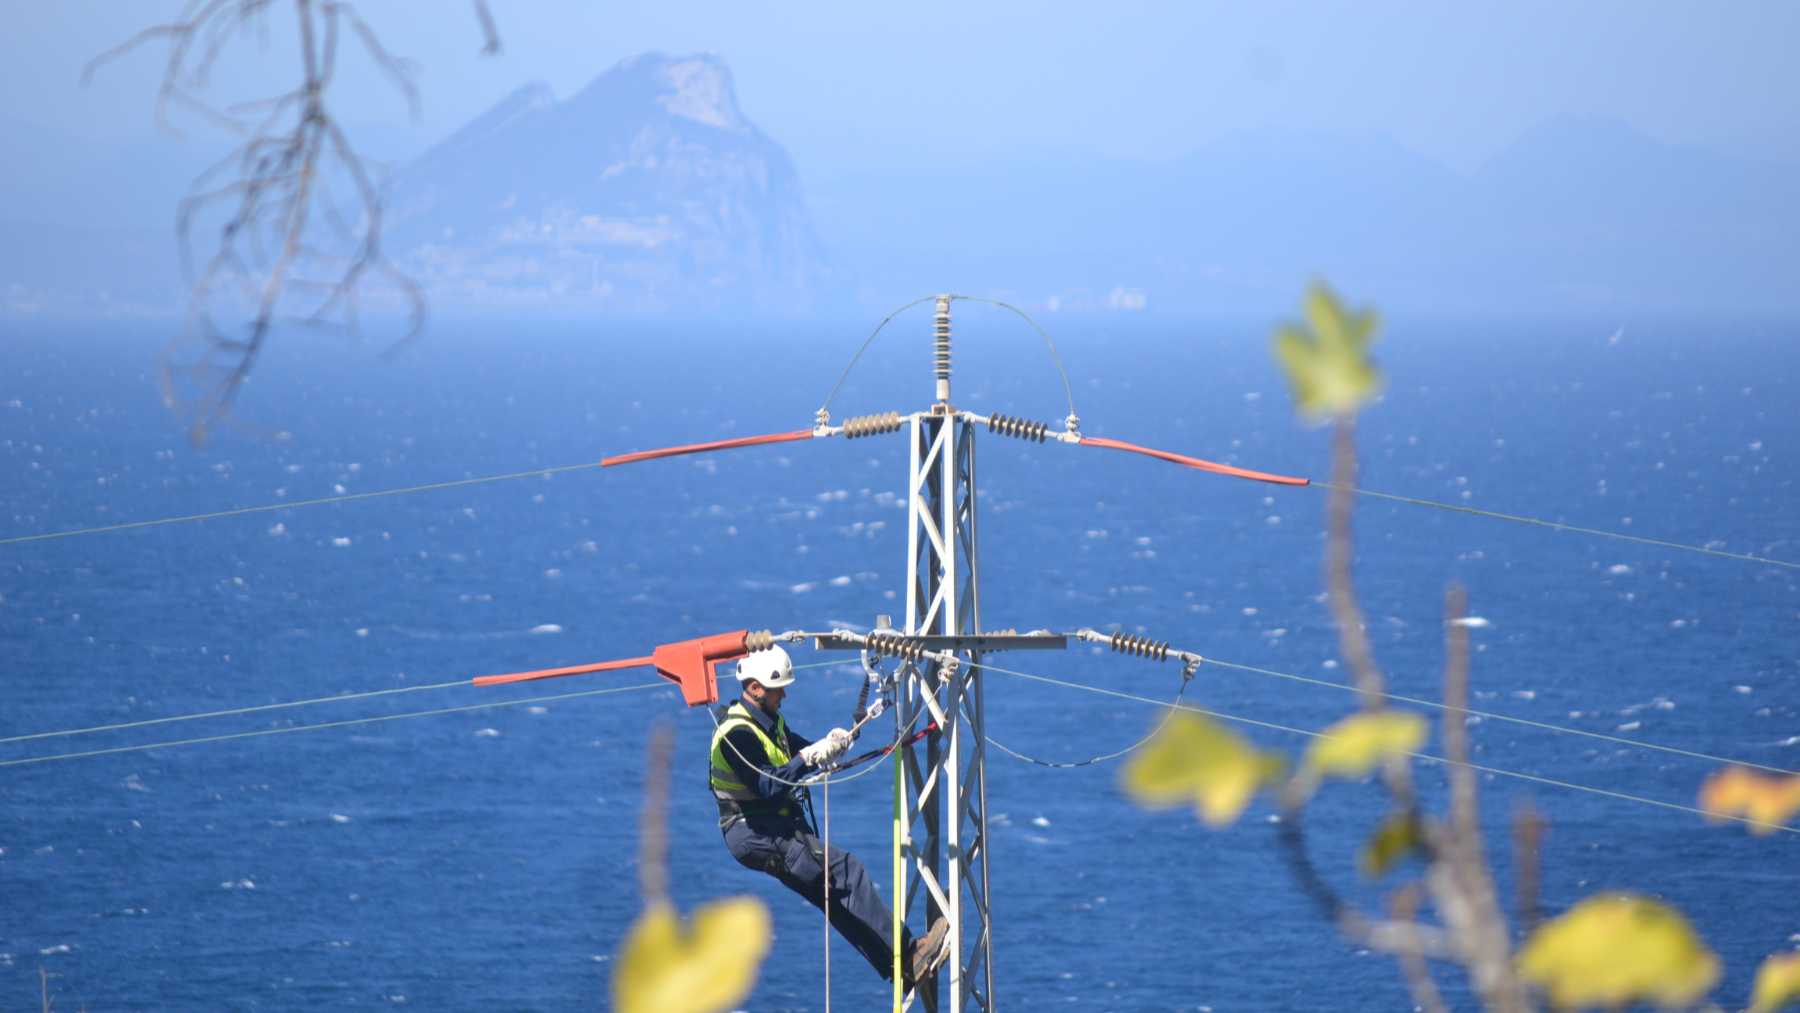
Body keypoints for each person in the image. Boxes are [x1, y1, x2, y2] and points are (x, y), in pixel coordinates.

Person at [709, 644, 949, 1001]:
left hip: (770, 830)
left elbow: (795, 751)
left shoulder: (767, 722)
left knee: (835, 893)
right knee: (845, 873)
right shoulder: (736, 735)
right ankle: (907, 955)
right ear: (756, 688)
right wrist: (808, 757)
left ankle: (901, 966)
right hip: (757, 833)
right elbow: (769, 784)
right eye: (778, 689)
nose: (784, 695)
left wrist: (828, 747)